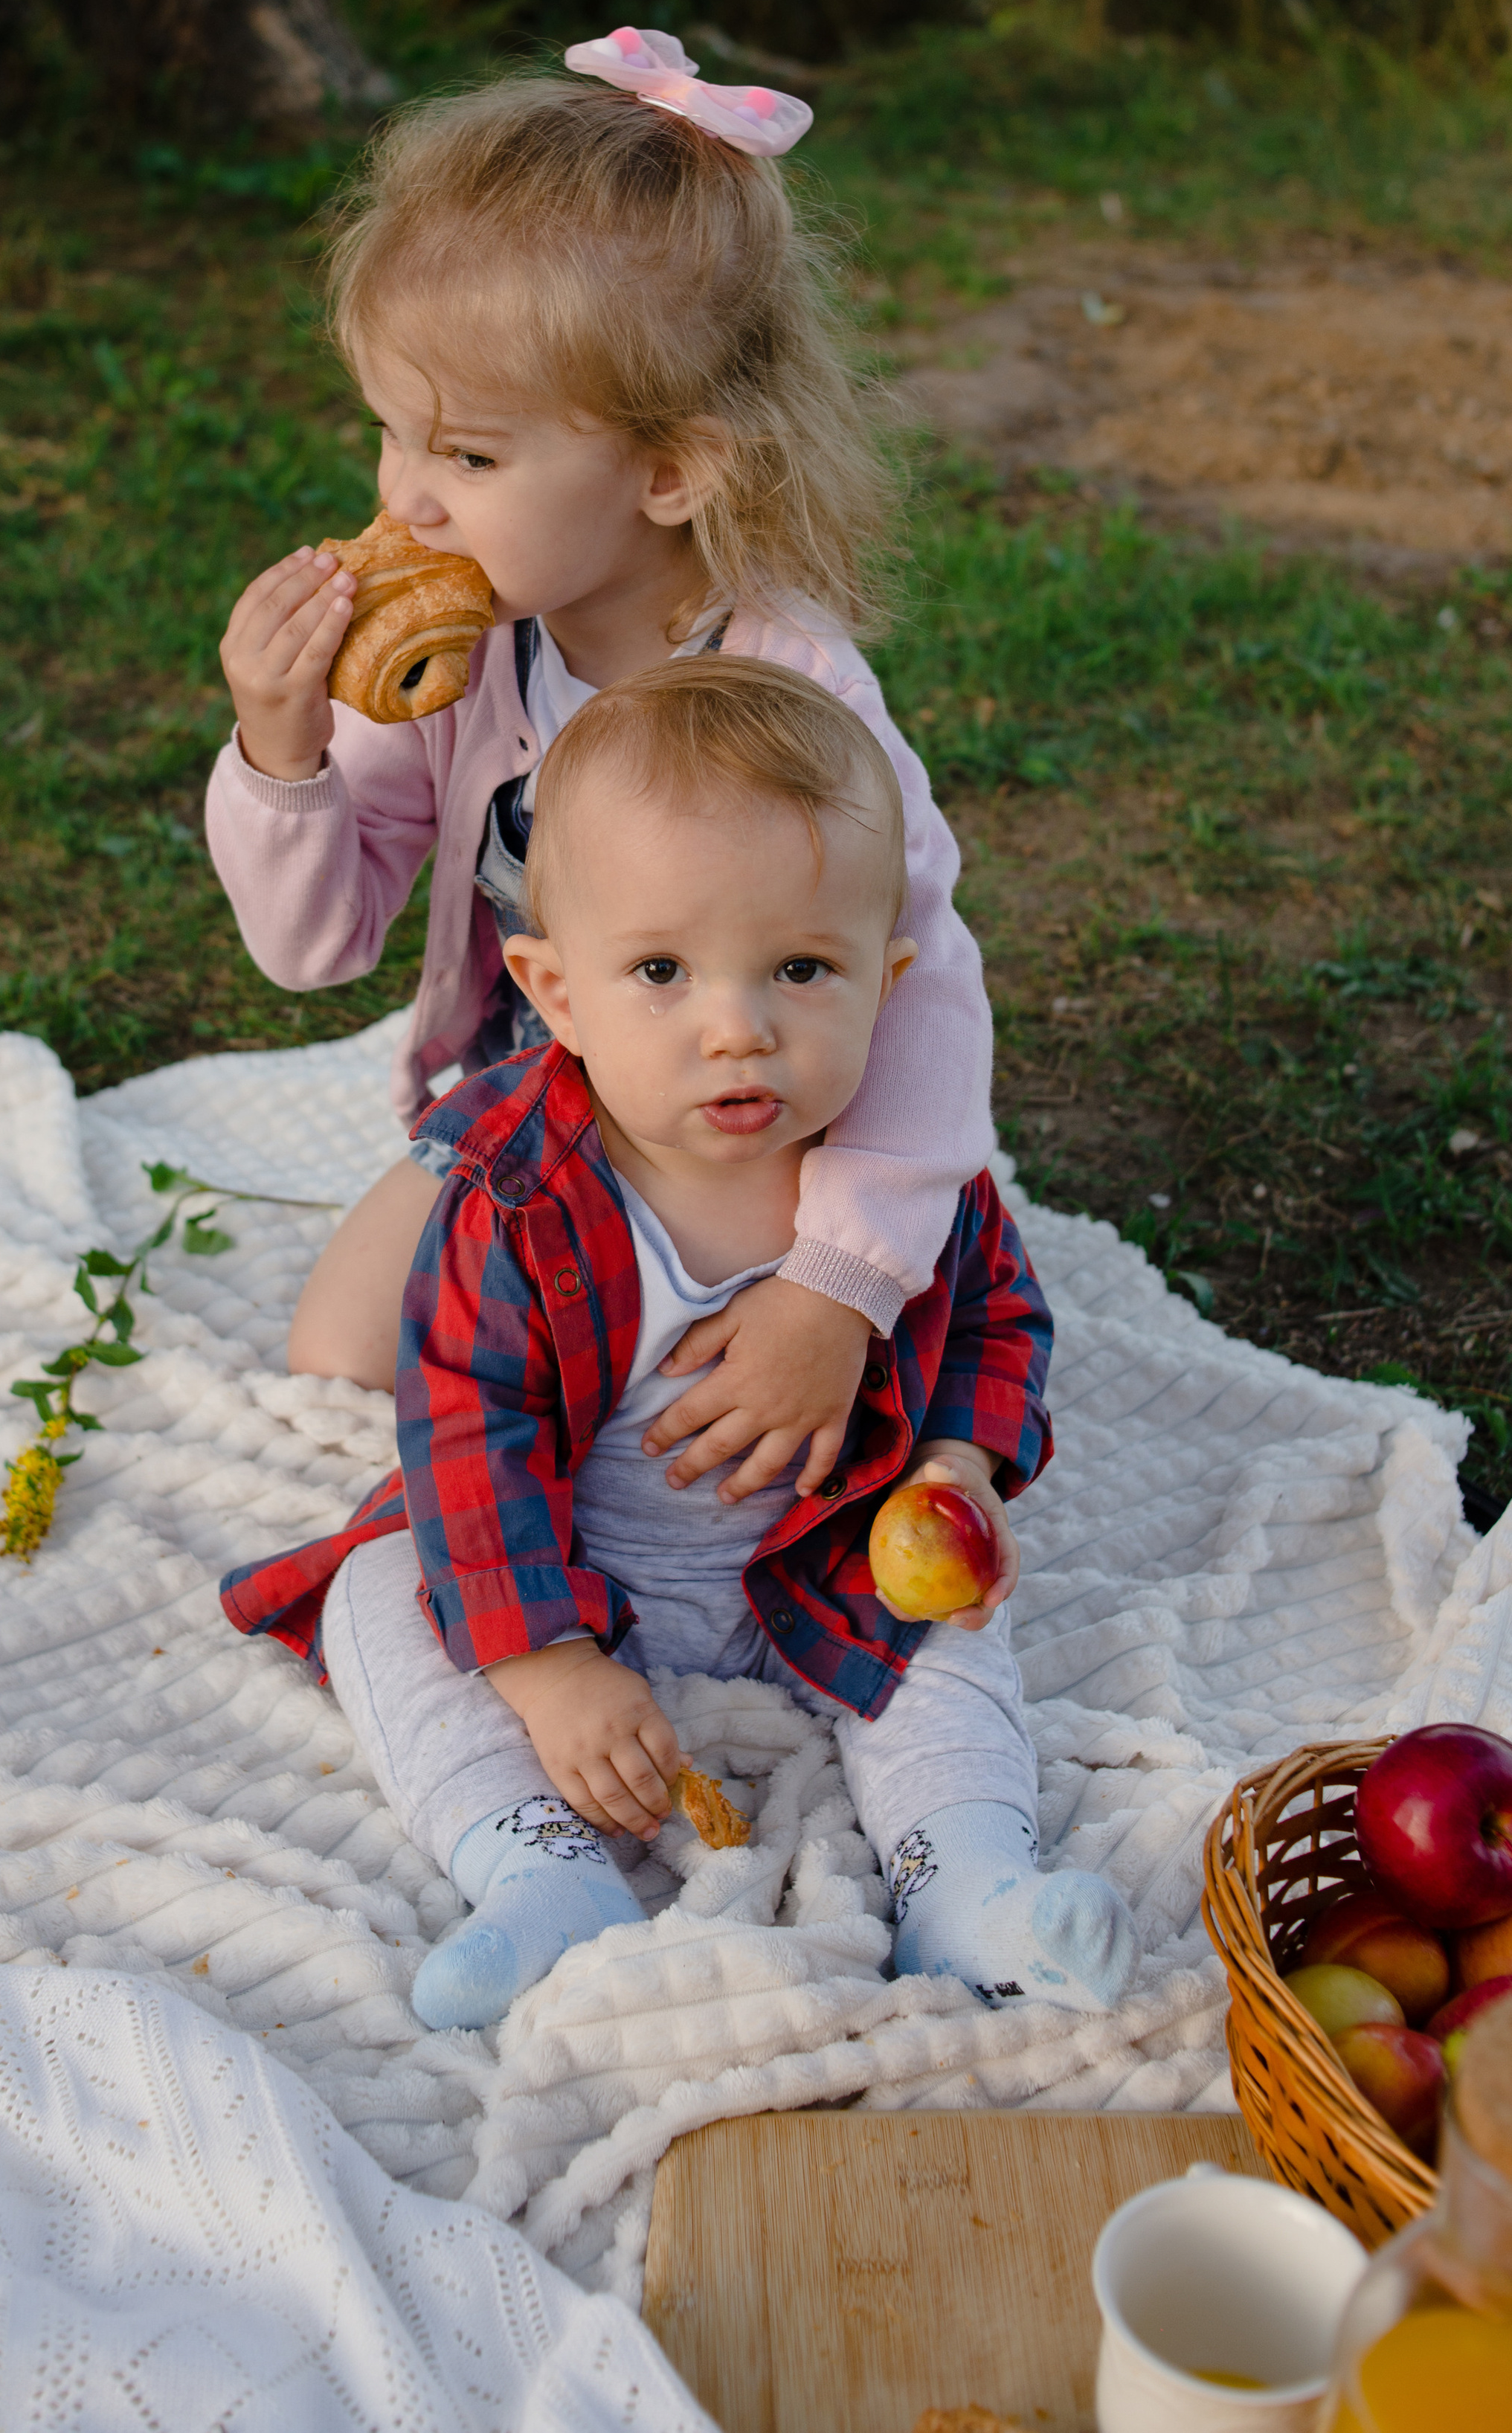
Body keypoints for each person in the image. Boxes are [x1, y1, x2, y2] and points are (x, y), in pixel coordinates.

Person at [222, 661, 1136, 2031]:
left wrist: (961, 1465)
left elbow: (1000, 1320)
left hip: (819, 1558)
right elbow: (469, 1424)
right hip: (581, 1561)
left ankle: (968, 1884)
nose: (737, 1026)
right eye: (661, 970)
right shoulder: (519, 1192)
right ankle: (537, 1866)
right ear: (556, 989)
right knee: (380, 1590)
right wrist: (545, 1664)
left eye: (803, 969)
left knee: (953, 1632)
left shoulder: (893, 1180)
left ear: (888, 982)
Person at [205, 28, 990, 1521]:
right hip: (532, 1103)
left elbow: (923, 984)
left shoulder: (787, 697)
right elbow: (313, 947)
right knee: (340, 1359)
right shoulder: (456, 665)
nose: (408, 499)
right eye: (391, 434)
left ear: (669, 472)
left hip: (738, 1109)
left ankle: (923, 1351)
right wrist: (283, 751)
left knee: (736, 1435)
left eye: (472, 458)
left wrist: (839, 1284)